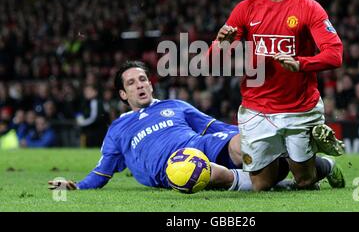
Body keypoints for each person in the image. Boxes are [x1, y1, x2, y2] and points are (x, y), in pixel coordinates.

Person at [48, 61, 343, 191]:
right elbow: (101, 173)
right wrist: (74, 186)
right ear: (123, 95)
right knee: (218, 175)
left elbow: (213, 126)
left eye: (143, 79)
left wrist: (248, 138)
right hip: (175, 167)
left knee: (246, 147)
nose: (140, 85)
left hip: (202, 145)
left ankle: (295, 140)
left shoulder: (174, 106)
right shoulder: (118, 129)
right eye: (132, 83)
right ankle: (319, 164)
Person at [210, 0, 345, 191]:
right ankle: (294, 160)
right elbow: (210, 61)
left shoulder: (309, 8)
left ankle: (324, 166)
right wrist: (222, 44)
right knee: (261, 185)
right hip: (257, 107)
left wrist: (300, 63)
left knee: (304, 181)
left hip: (299, 107)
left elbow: (335, 54)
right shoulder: (246, 8)